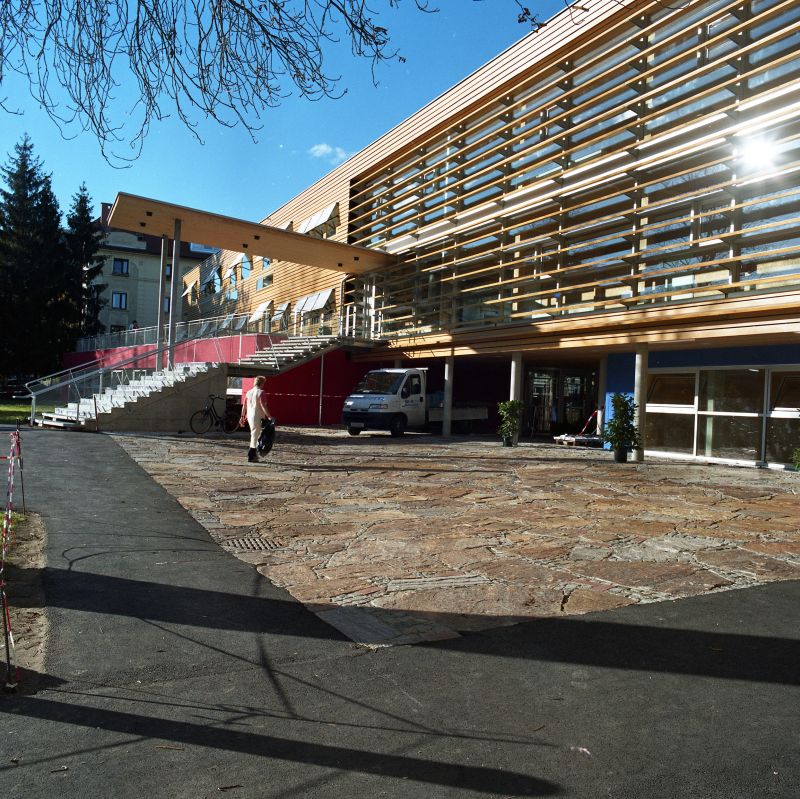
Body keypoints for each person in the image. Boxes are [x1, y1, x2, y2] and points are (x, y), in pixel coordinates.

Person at [240, 376, 272, 463]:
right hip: (258, 415)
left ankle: (253, 455)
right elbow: (263, 405)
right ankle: (251, 454)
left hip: (250, 415)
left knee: (254, 434)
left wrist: (242, 416)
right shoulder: (261, 392)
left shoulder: (249, 392)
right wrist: (269, 416)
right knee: (255, 435)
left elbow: (244, 406)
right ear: (262, 383)